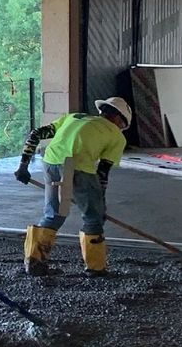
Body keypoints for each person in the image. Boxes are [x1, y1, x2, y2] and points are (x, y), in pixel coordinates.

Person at [15, 97, 133, 275]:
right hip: (79, 169)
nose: (120, 128)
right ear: (118, 118)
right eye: (122, 125)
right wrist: (100, 204)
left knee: (54, 214)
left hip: (51, 163)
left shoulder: (74, 117)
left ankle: (35, 261)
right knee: (93, 218)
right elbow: (102, 173)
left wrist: (23, 166)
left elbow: (36, 134)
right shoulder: (116, 136)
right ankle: (95, 267)